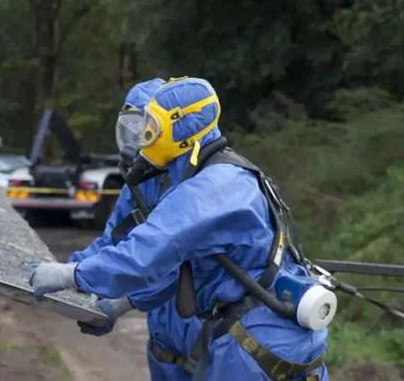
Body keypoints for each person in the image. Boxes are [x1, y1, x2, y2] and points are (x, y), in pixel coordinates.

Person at [29, 77, 329, 381]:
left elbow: (145, 256)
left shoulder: (207, 189)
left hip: (252, 341)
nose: (143, 140)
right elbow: (129, 246)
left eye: (151, 129)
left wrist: (70, 275)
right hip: (281, 332)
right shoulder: (221, 174)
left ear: (179, 131)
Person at [65, 78, 204, 381]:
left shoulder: (199, 184)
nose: (134, 143)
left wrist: (120, 304)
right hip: (164, 336)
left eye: (143, 131)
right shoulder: (141, 182)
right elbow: (114, 239)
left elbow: (176, 265)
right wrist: (70, 270)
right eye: (128, 129)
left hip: (206, 328)